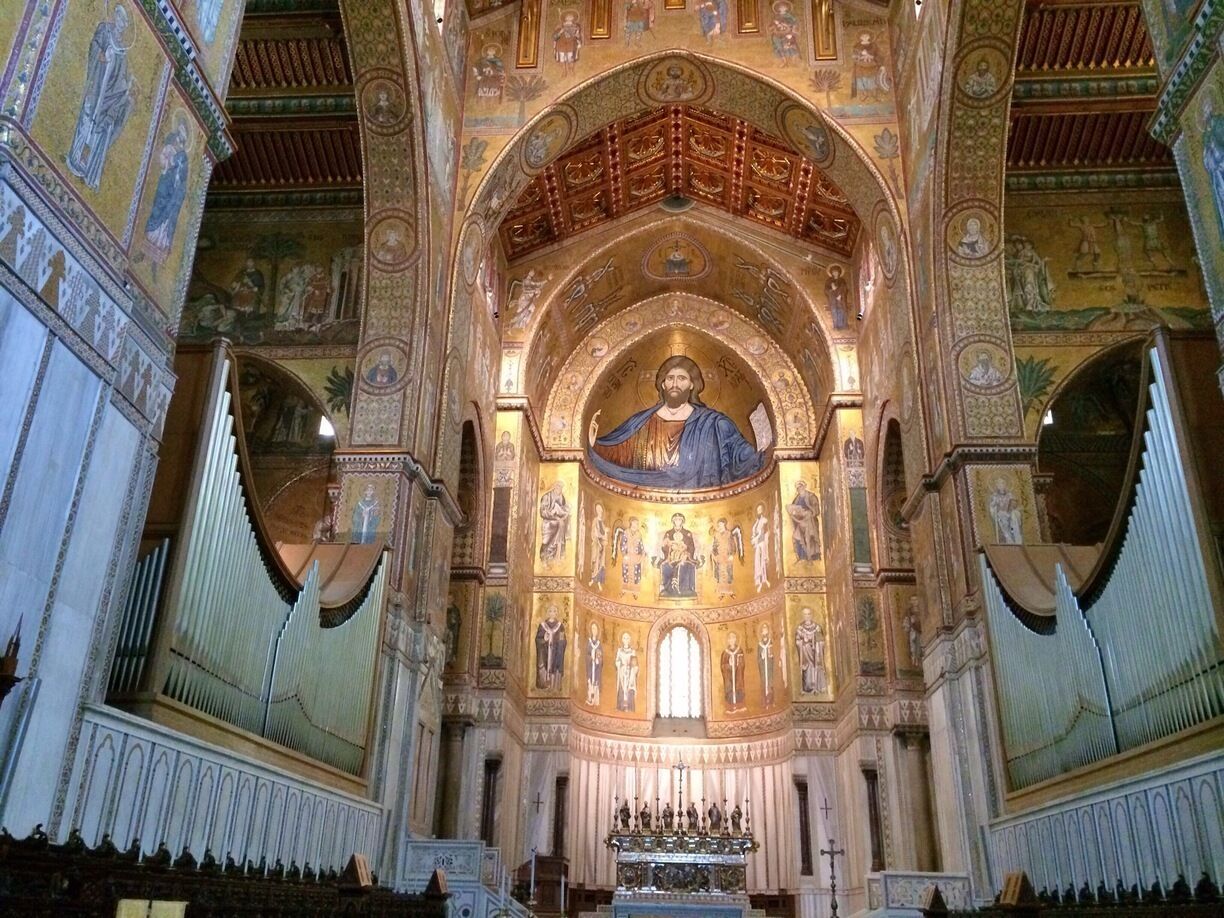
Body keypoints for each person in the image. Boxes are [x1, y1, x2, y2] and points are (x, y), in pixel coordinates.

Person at [589, 355, 768, 489]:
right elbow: (617, 453)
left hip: (705, 508)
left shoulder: (714, 424)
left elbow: (744, 458)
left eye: (682, 378)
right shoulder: (642, 422)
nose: (675, 384)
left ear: (692, 385)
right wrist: (592, 444)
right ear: (663, 384)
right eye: (670, 378)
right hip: (645, 500)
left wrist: (766, 451)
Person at [67, 5, 136, 190]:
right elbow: (94, 46)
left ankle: (86, 165)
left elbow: (121, 77)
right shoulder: (104, 30)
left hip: (107, 95)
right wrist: (102, 55)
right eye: (120, 19)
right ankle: (74, 156)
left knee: (97, 130)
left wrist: (125, 88)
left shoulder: (122, 49)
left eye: (124, 22)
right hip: (96, 85)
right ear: (115, 16)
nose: (121, 24)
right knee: (86, 119)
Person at [657, 513, 699, 597]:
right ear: (673, 521)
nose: (677, 521)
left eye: (679, 519)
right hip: (671, 557)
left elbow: (692, 548)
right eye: (676, 520)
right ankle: (667, 589)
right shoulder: (668, 533)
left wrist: (686, 553)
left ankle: (685, 589)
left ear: (682, 521)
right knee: (664, 565)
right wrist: (667, 546)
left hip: (685, 557)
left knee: (683, 565)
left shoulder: (687, 533)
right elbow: (664, 548)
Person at [787, 481, 821, 562]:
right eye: (798, 488)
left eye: (801, 487)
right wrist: (793, 513)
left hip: (810, 522)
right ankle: (801, 557)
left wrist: (809, 511)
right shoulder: (797, 499)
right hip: (800, 522)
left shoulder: (811, 496)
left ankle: (812, 557)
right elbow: (793, 509)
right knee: (797, 538)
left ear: (804, 487)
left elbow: (816, 510)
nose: (799, 489)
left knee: (809, 539)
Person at [795, 606, 827, 694]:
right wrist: (802, 642)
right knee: (808, 668)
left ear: (811, 615)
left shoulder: (817, 627)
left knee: (816, 666)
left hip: (815, 653)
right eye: (805, 614)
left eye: (809, 614)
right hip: (805, 654)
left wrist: (816, 642)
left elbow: (821, 641)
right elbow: (797, 642)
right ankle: (808, 688)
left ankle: (817, 687)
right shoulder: (800, 628)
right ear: (803, 615)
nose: (807, 616)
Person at [535, 607, 567, 691]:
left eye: (554, 611)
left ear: (557, 613)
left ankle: (554, 686)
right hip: (545, 652)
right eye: (550, 611)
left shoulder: (560, 626)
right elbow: (537, 639)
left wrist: (559, 643)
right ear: (547, 613)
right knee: (543, 664)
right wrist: (544, 639)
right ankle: (544, 684)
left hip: (556, 652)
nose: (552, 613)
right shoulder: (542, 626)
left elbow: (562, 639)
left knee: (555, 664)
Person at [538, 481, 570, 563]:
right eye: (558, 487)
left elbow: (563, 509)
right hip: (548, 524)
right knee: (546, 541)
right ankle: (543, 559)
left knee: (557, 541)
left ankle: (555, 557)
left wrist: (565, 513)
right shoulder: (547, 497)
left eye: (561, 488)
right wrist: (553, 515)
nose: (560, 490)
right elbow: (543, 512)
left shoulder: (562, 498)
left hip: (559, 524)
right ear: (554, 487)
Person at [721, 632, 746, 712]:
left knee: (739, 689)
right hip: (729, 677)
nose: (732, 640)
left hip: (738, 675)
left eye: (733, 638)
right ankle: (731, 706)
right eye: (730, 638)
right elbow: (722, 666)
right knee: (730, 691)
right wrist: (729, 665)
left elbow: (742, 664)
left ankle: (739, 706)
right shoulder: (725, 653)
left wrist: (739, 665)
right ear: (728, 640)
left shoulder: (739, 650)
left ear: (736, 639)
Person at [615, 632, 638, 711]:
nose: (626, 640)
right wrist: (620, 664)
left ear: (630, 640)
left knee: (629, 688)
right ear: (622, 639)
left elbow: (635, 664)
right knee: (622, 688)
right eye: (624, 638)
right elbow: (617, 661)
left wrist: (632, 667)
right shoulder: (619, 651)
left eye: (627, 638)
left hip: (630, 673)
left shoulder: (632, 651)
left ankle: (629, 707)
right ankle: (621, 707)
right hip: (622, 672)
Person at [751, 504, 771, 591]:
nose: (759, 511)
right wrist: (753, 539)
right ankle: (759, 582)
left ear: (762, 510)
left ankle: (765, 580)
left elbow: (764, 532)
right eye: (757, 510)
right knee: (758, 563)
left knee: (763, 562)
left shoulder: (764, 520)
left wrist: (756, 539)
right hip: (757, 545)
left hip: (762, 544)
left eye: (760, 510)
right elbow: (754, 533)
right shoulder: (756, 523)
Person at [757, 622, 777, 705]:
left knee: (770, 682)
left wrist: (771, 655)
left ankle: (771, 700)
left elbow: (775, 653)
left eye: (766, 629)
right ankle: (764, 701)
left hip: (769, 666)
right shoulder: (760, 644)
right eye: (763, 629)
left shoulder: (771, 642)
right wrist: (761, 656)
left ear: (768, 631)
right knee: (764, 682)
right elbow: (758, 657)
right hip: (763, 667)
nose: (764, 631)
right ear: (761, 632)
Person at [589, 503, 608, 589]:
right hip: (597, 545)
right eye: (598, 509)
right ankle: (593, 579)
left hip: (602, 546)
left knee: (601, 563)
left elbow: (604, 534)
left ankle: (599, 582)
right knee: (595, 561)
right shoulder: (595, 521)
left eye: (600, 509)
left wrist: (605, 533)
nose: (599, 511)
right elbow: (594, 533)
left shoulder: (602, 523)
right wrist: (601, 535)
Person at [586, 622, 603, 705]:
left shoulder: (599, 644)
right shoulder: (589, 642)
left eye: (595, 628)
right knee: (590, 682)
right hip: (590, 666)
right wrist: (590, 658)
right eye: (593, 628)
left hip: (596, 667)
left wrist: (597, 660)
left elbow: (600, 656)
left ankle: (596, 701)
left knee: (596, 682)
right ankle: (589, 698)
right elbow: (586, 654)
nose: (594, 630)